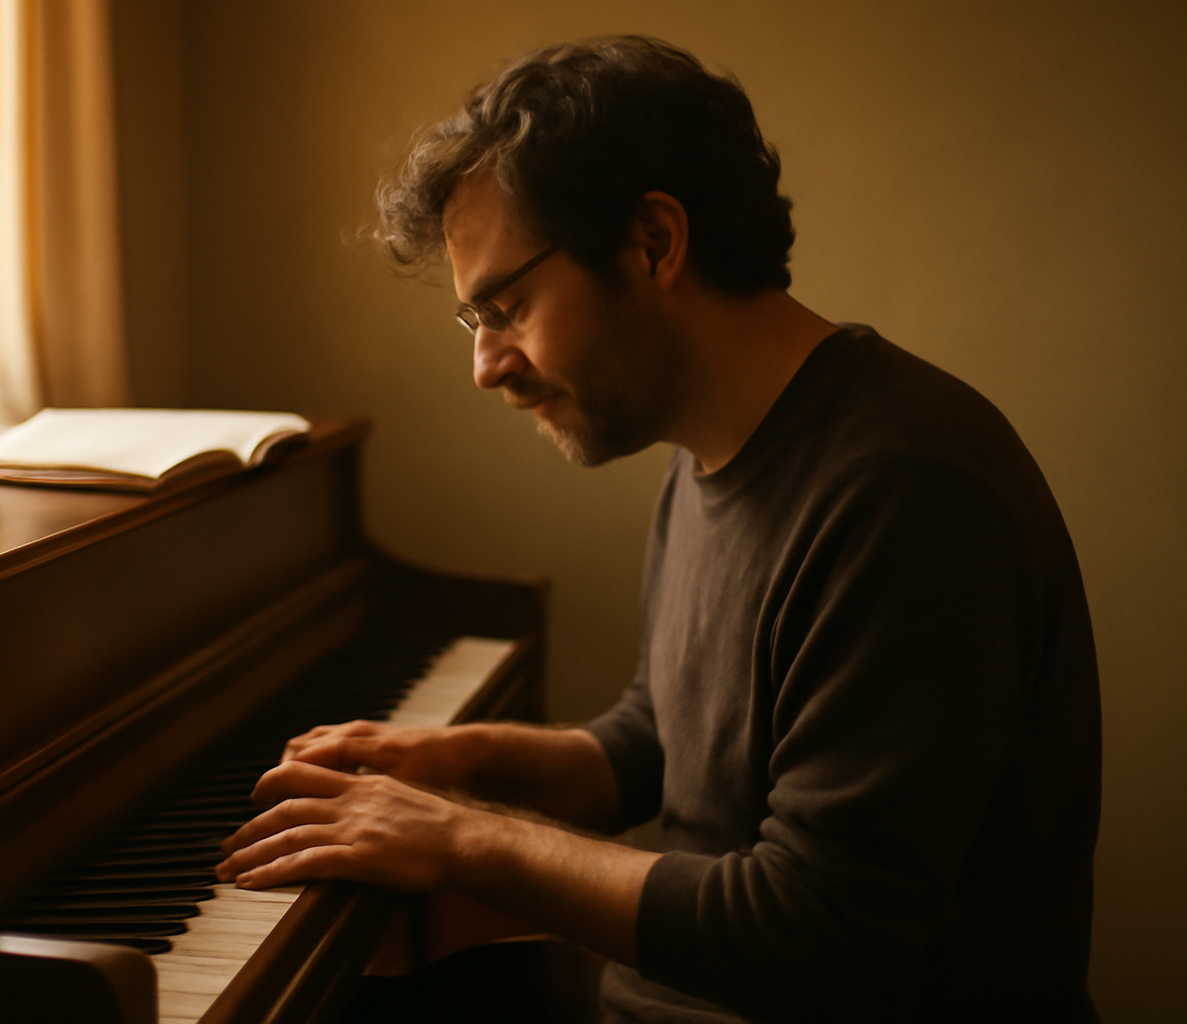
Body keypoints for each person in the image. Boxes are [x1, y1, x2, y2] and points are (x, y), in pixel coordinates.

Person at [215, 36, 1101, 1023]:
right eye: (477, 322)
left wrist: (464, 840)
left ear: (653, 243)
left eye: (506, 307)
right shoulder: (712, 447)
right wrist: (456, 763)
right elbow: (658, 738)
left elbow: (822, 933)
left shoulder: (905, 494)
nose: (489, 366)